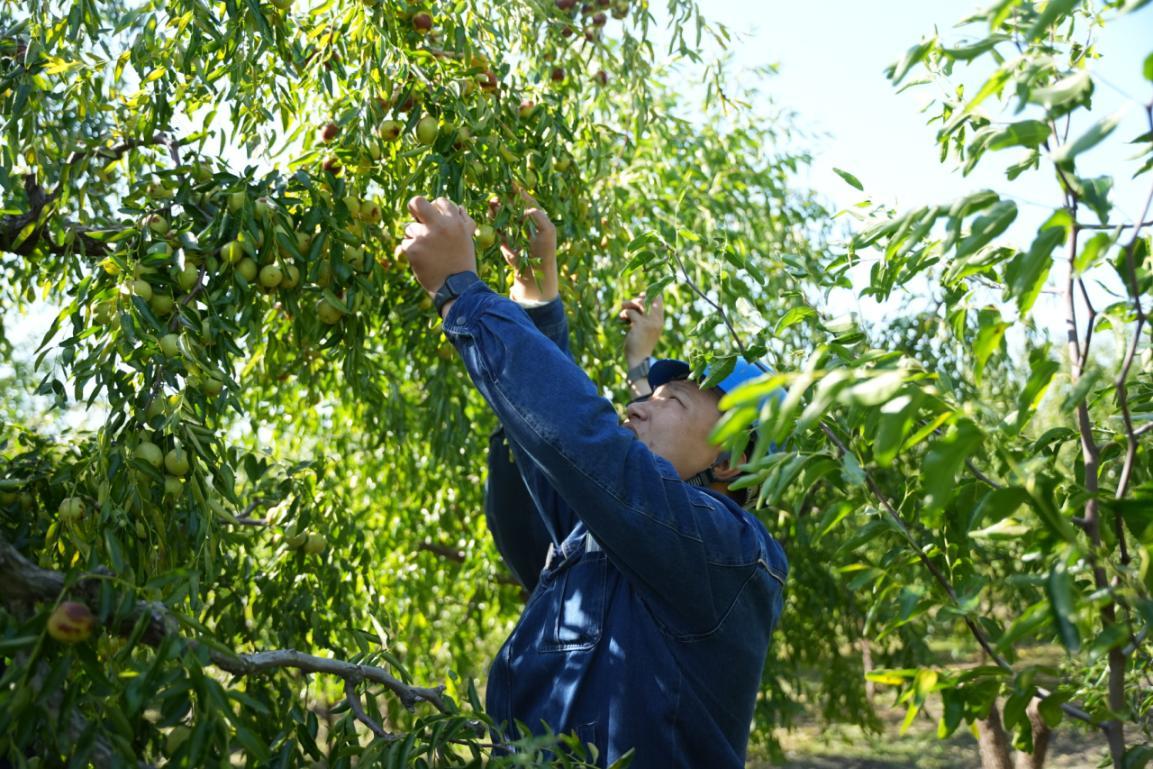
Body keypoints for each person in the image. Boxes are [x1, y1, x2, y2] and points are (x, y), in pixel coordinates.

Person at [398, 194, 788, 769]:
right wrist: (535, 300)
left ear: (729, 460)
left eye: (672, 401)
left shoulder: (727, 552)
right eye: (649, 394)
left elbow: (588, 445)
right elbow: (562, 455)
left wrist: (463, 294)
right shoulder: (609, 535)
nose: (638, 408)